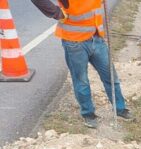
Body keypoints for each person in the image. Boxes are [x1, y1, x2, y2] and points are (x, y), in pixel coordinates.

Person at [31, 0, 133, 128]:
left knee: (111, 76)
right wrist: (56, 12)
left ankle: (120, 108)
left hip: (96, 38)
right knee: (81, 81)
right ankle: (88, 114)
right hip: (75, 42)